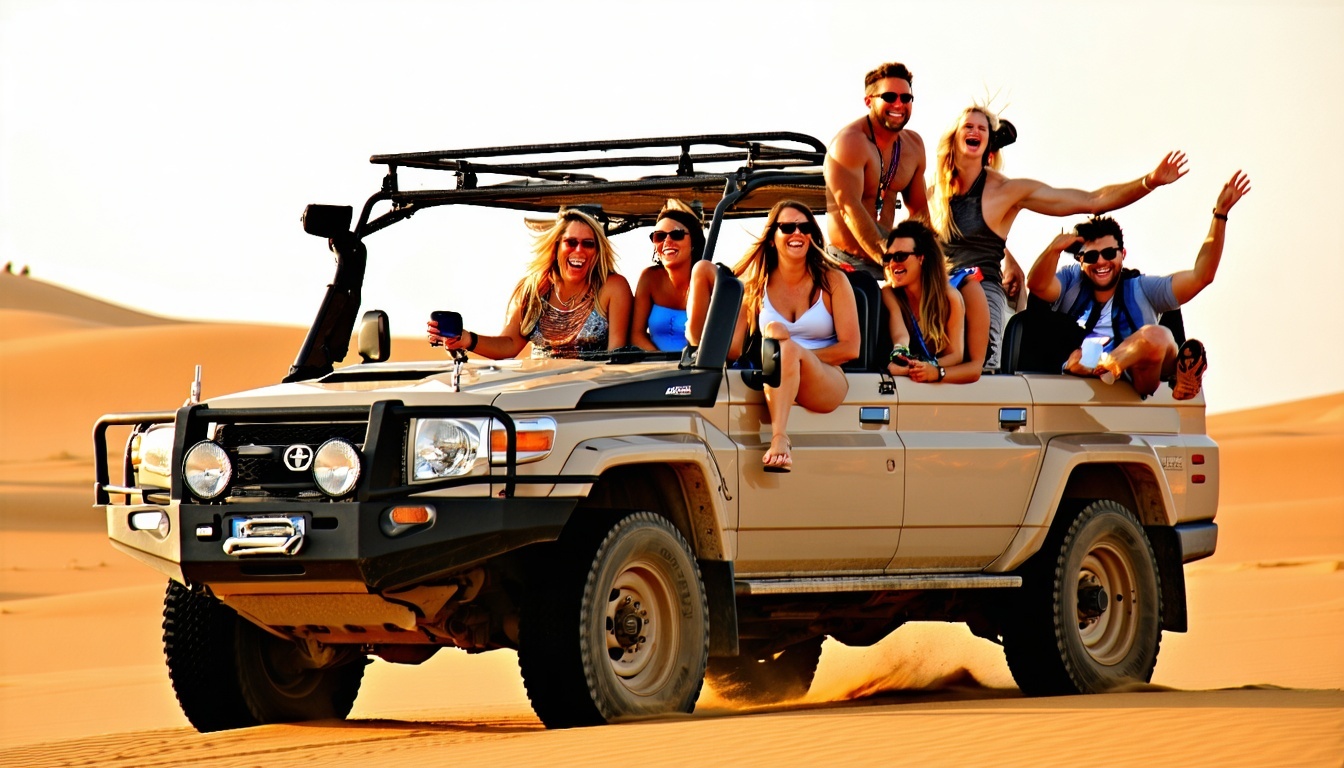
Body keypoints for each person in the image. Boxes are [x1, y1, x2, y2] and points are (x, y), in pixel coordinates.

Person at [929, 104, 1190, 370]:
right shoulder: (933, 196)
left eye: (981, 128)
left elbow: (1091, 200)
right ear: (954, 136)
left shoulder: (1006, 191)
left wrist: (1150, 180)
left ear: (988, 144)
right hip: (938, 295)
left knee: (977, 376)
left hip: (981, 295)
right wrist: (1009, 256)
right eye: (968, 126)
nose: (975, 131)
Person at [1026, 170, 1251, 400]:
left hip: (1138, 377)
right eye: (1092, 257)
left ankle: (1124, 366)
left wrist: (1220, 215)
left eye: (1109, 253)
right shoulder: (1072, 282)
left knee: (1157, 336)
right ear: (1080, 261)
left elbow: (1201, 276)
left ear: (1123, 254)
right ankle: (1110, 366)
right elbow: (1037, 285)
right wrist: (1053, 250)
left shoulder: (1141, 288)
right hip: (1080, 375)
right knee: (1077, 359)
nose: (1101, 261)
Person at [726, 201, 860, 472]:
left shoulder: (832, 280)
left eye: (805, 227)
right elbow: (732, 351)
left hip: (826, 377)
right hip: (775, 376)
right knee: (778, 340)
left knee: (784, 348)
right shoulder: (755, 286)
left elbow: (851, 348)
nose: (797, 233)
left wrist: (794, 359)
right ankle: (782, 361)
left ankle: (779, 438)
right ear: (773, 238)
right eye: (787, 227)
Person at [428, 208, 632, 359]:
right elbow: (509, 345)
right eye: (571, 242)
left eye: (588, 244)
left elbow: (616, 358)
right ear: (556, 246)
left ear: (598, 251)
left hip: (588, 399)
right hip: (537, 394)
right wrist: (467, 339)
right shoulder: (532, 288)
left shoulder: (612, 287)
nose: (579, 250)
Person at [824, 61, 929, 281]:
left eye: (906, 98)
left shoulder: (913, 146)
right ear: (868, 101)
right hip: (846, 265)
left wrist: (933, 260)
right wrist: (889, 259)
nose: (899, 104)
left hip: (889, 264)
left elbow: (920, 215)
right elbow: (850, 209)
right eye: (889, 97)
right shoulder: (850, 143)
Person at [881, 219, 989, 384]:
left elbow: (962, 359)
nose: (893, 263)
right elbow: (900, 335)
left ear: (921, 258)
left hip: (965, 383)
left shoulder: (955, 295)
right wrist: (900, 354)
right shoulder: (890, 293)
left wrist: (935, 370)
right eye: (888, 258)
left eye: (900, 256)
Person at [631, 200, 704, 352]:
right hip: (658, 371)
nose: (667, 241)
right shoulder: (649, 278)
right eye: (659, 236)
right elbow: (636, 334)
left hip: (698, 371)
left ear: (693, 242)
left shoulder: (709, 280)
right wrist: (662, 362)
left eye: (677, 235)